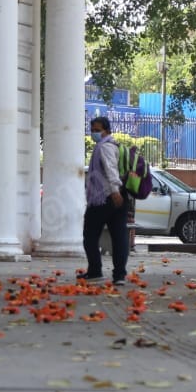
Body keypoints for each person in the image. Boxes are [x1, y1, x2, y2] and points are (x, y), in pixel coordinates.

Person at [82, 117, 127, 284]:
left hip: (105, 198)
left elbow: (111, 169)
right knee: (119, 237)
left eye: (97, 129)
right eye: (92, 129)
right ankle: (119, 276)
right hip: (117, 196)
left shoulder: (105, 147)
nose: (94, 133)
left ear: (107, 130)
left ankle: (95, 272)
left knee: (90, 235)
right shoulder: (115, 146)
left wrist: (115, 190)